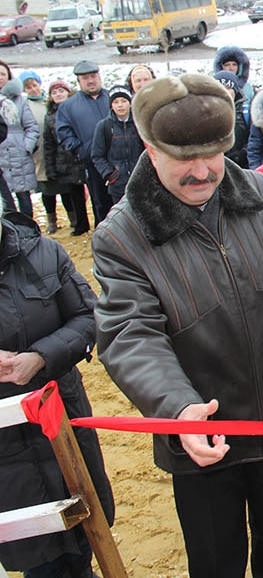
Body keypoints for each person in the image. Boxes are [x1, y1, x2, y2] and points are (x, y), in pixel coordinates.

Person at [92, 73, 263, 578]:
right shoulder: (121, 235)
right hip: (200, 436)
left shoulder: (260, 195)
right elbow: (130, 334)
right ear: (150, 148)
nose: (204, 172)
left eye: (214, 153)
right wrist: (177, 408)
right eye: (185, 158)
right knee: (216, 560)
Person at [0, 197, 115, 577]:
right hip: (7, 444)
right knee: (36, 553)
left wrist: (41, 356)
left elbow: (87, 315)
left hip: (62, 416)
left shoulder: (44, 253)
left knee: (85, 530)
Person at [56, 60, 113, 227]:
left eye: (93, 76)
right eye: (85, 78)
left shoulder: (113, 98)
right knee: (100, 203)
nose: (91, 80)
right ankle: (105, 237)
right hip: (92, 163)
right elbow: (64, 134)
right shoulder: (68, 106)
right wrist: (81, 150)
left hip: (118, 159)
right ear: (79, 81)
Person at [43, 79, 90, 236]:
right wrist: (50, 169)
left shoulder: (78, 109)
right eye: (54, 92)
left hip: (83, 156)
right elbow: (48, 145)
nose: (58, 94)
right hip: (65, 162)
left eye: (61, 91)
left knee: (95, 193)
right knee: (74, 197)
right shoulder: (50, 117)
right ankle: (80, 224)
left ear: (68, 92)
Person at [91, 85, 145, 204]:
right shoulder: (104, 126)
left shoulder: (139, 123)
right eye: (116, 102)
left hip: (140, 181)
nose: (120, 105)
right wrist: (110, 174)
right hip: (118, 184)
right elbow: (97, 155)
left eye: (124, 101)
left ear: (130, 103)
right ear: (111, 105)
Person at [0, 72, 39, 219]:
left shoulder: (19, 100)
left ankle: (27, 230)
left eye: (3, 73)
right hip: (1, 156)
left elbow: (31, 126)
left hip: (18, 154)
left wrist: (26, 147)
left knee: (24, 196)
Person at [20, 71, 51, 229]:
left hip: (53, 147)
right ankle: (51, 218)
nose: (33, 89)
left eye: (34, 85)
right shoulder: (26, 106)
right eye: (28, 87)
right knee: (45, 183)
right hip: (38, 149)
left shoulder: (48, 101)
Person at [213, 70, 250, 169]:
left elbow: (254, 139)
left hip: (243, 165)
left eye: (228, 88)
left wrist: (241, 154)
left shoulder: (246, 111)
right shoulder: (206, 113)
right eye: (220, 88)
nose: (224, 92)